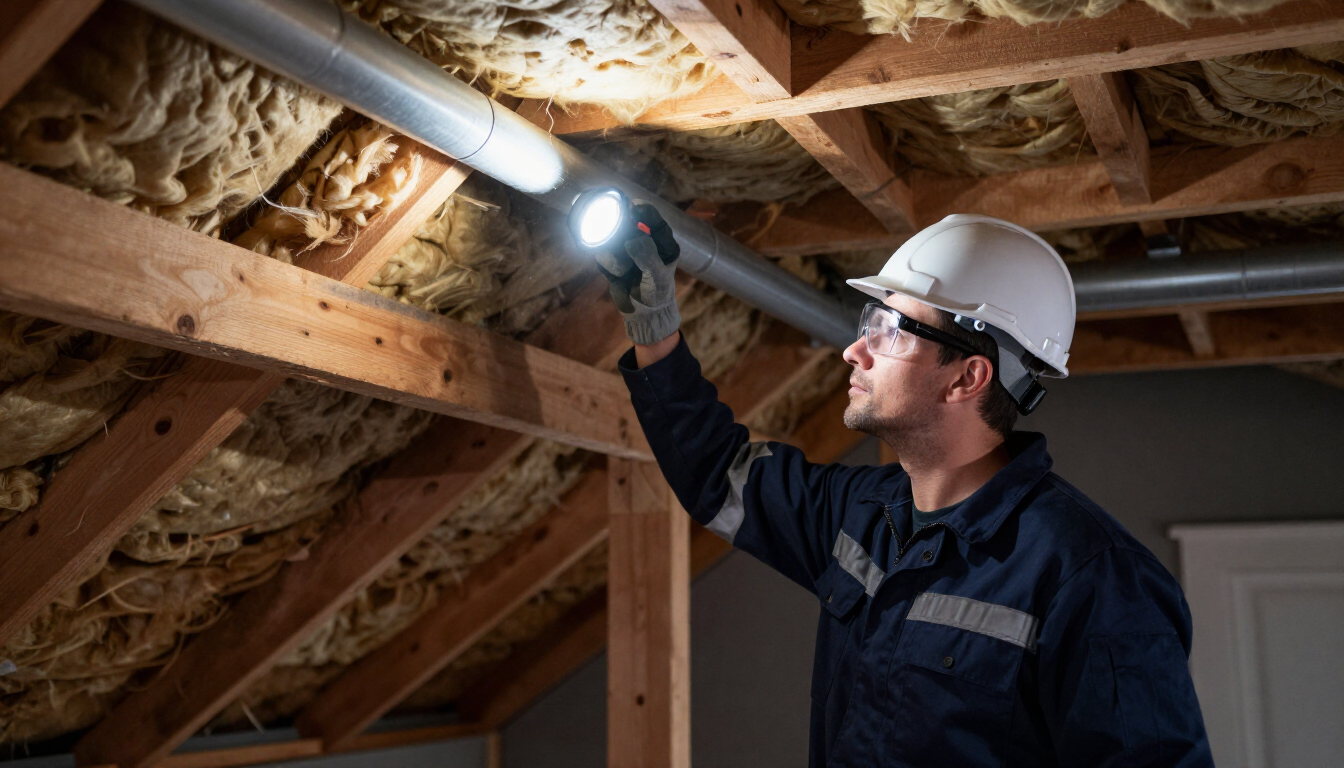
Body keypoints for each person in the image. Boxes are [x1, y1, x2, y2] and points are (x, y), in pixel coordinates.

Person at [601, 207, 1216, 767]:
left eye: (891, 330)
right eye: (870, 322)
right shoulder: (858, 516)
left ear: (967, 377)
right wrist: (654, 326)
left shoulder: (1091, 579)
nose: (854, 351)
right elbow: (719, 473)